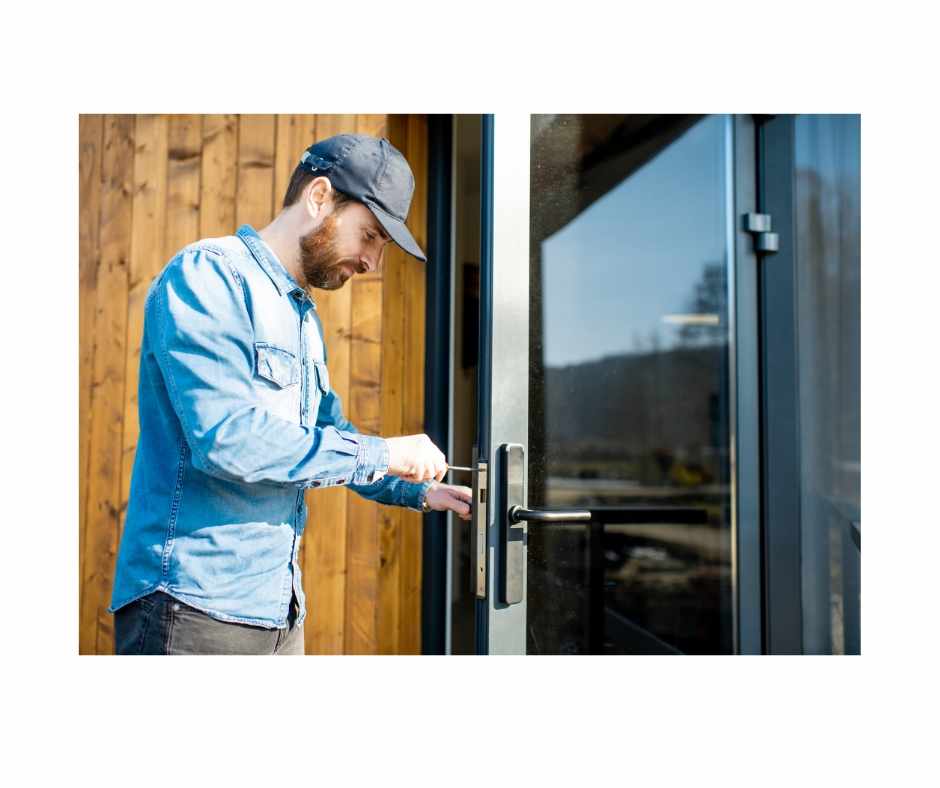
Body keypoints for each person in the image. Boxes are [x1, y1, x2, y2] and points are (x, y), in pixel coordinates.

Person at [109, 133, 471, 655]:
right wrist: (385, 453)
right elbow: (228, 440)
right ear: (319, 197)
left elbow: (328, 436)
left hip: (280, 611)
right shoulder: (210, 275)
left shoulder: (303, 318)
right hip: (192, 610)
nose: (373, 262)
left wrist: (415, 490)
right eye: (370, 236)